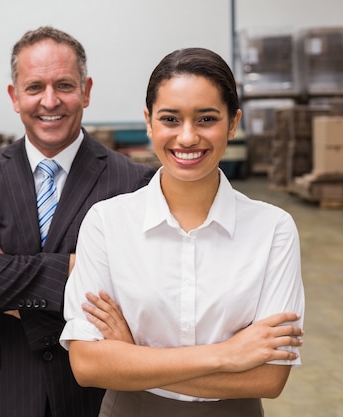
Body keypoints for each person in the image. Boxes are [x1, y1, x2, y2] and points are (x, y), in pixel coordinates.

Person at [59, 47, 306, 417]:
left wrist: (133, 360)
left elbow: (269, 379)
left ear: (233, 122)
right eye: (170, 119)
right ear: (149, 122)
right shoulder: (106, 223)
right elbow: (88, 365)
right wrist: (228, 355)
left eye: (206, 118)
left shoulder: (273, 230)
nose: (187, 137)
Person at [0, 26, 155, 417]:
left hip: (93, 395)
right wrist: (76, 268)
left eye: (64, 85)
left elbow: (134, 294)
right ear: (14, 96)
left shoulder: (132, 182)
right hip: (0, 393)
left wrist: (6, 288)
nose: (49, 101)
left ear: (86, 91)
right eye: (34, 86)